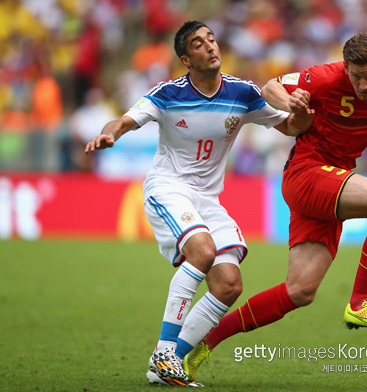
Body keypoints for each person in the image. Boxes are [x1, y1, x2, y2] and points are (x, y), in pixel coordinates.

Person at [182, 31, 367, 382]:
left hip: (332, 180)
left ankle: (200, 345)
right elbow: (271, 86)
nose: (364, 86)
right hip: (307, 173)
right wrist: (288, 102)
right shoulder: (325, 77)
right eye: (356, 77)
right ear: (345, 68)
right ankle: (362, 303)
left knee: (300, 292)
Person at [84, 21, 312, 387]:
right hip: (168, 188)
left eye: (211, 39)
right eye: (198, 43)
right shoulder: (168, 93)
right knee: (202, 251)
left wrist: (302, 110)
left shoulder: (244, 93)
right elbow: (124, 120)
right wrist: (109, 133)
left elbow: (290, 127)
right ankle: (163, 352)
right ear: (185, 59)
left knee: (228, 284)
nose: (209, 46)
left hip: (207, 199)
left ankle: (168, 362)